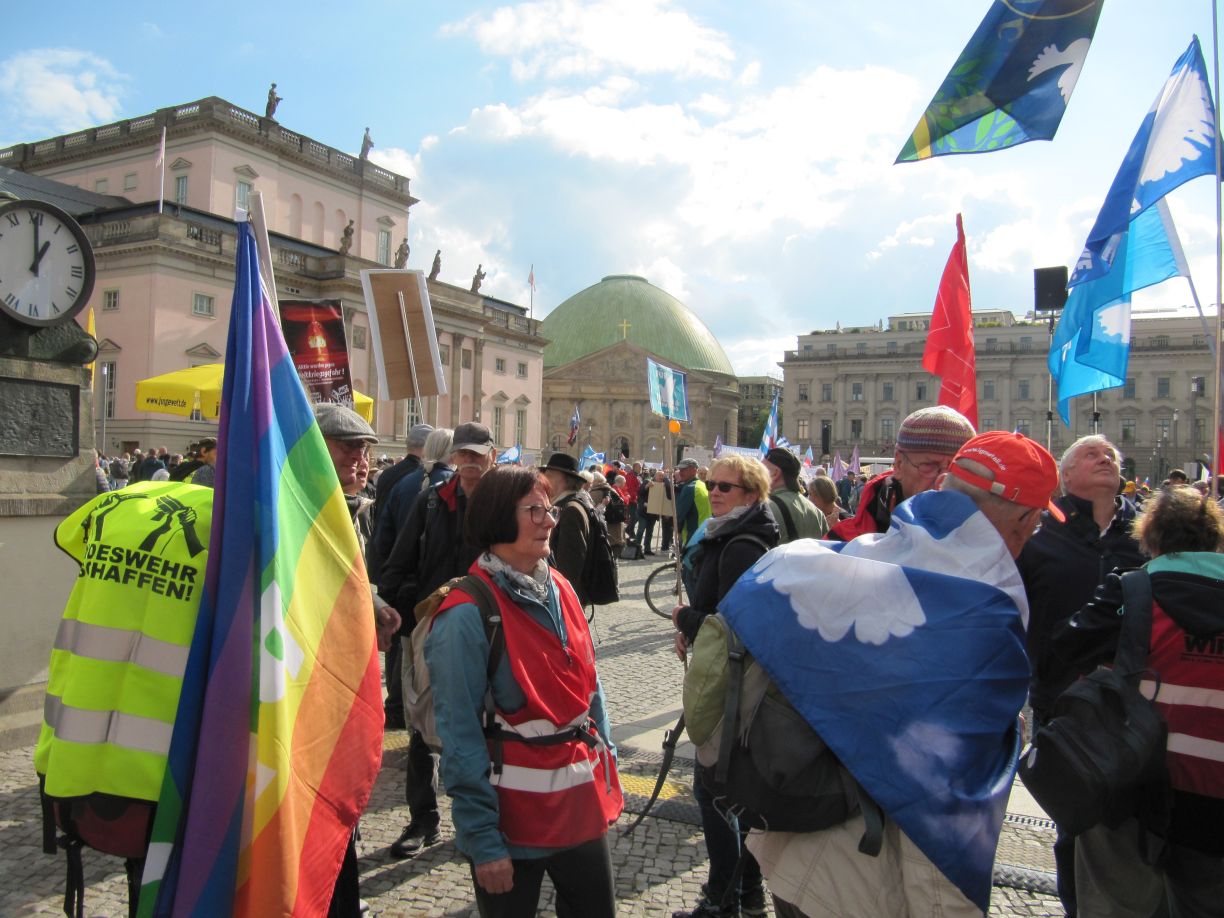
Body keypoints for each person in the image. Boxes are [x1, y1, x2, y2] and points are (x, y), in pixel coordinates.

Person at [720, 432, 1059, 918]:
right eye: (1038, 522)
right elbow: (955, 788)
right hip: (877, 874)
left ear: (945, 487)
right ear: (1025, 520)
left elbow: (750, 595)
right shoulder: (987, 608)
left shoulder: (858, 556)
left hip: (795, 842)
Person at [424, 466, 622, 917]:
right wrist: (483, 840)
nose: (549, 520)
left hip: (580, 810)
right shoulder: (465, 615)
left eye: (550, 509)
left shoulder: (562, 588)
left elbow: (591, 689)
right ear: (497, 518)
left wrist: (607, 769)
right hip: (511, 824)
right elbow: (459, 735)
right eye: (534, 510)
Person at [1051, 485, 1224, 917]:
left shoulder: (1131, 591)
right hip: (1215, 794)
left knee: (1117, 901)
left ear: (1150, 537)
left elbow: (1064, 650)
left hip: (1133, 781)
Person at [1017, 434, 1145, 916]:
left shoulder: (1144, 532)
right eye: (1091, 454)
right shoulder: (1039, 531)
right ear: (1065, 475)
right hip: (1062, 700)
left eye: (1110, 454)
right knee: (1074, 820)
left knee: (1137, 824)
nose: (1105, 458)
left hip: (1137, 703)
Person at [379, 421, 497, 860]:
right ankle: (422, 819)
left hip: (490, 627)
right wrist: (393, 613)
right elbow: (400, 559)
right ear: (453, 456)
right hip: (431, 624)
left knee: (492, 724)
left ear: (492, 456)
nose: (469, 462)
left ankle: (486, 821)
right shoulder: (431, 500)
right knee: (420, 721)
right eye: (463, 454)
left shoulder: (505, 503)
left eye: (477, 455)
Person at [671, 454, 779, 918]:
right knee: (738, 794)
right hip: (740, 680)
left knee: (713, 791)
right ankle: (748, 895)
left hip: (736, 685)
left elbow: (732, 628)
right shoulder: (734, 533)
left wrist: (685, 618)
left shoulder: (740, 545)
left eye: (725, 487)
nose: (713, 491)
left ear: (751, 495)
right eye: (712, 483)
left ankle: (722, 900)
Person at [313, 403, 401, 916]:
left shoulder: (353, 509)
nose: (361, 458)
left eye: (366, 448)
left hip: (347, 675)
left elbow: (352, 577)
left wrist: (376, 604)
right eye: (348, 447)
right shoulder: (299, 508)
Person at [828, 406, 975, 540]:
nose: (943, 480)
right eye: (929, 466)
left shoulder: (986, 547)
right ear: (898, 464)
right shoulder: (842, 546)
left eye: (958, 469)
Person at [540, 453, 596, 603]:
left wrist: (560, 600)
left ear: (567, 480)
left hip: (563, 598)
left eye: (549, 475)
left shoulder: (570, 509)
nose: (544, 479)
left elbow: (569, 566)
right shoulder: (569, 504)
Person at [762, 447, 827, 541]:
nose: (757, 475)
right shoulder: (817, 512)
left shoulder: (765, 509)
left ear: (775, 473)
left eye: (761, 470)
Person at [675, 457, 711, 552]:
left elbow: (679, 515)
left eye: (684, 470)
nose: (680, 472)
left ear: (694, 470)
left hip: (693, 534)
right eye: (680, 470)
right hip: (705, 531)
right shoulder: (702, 484)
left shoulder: (690, 488)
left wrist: (677, 530)